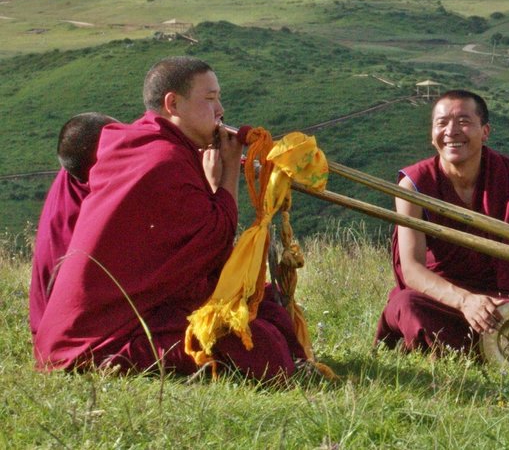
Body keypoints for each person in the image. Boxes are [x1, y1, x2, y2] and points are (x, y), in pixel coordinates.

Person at [33, 56, 306, 380]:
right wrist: (228, 175)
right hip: (93, 341)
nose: (221, 110)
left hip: (114, 319)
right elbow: (214, 240)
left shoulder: (147, 145)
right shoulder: (161, 160)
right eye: (209, 99)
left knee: (261, 310)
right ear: (173, 104)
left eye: (219, 98)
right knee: (256, 345)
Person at [375, 90, 509, 360]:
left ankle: (476, 350)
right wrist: (465, 301)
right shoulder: (414, 184)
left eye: (463, 121)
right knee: (407, 305)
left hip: (506, 300)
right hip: (448, 301)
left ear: (485, 131)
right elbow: (412, 271)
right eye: (442, 123)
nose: (451, 131)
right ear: (431, 134)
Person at [29, 112, 118, 338]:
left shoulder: (76, 172)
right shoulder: (96, 214)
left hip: (46, 327)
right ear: (103, 162)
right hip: (76, 333)